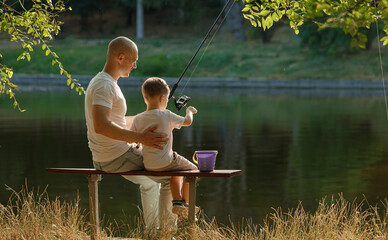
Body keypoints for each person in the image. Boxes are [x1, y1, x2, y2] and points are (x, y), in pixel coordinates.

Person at [84, 36, 174, 234]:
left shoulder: (104, 82)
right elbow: (101, 125)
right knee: (170, 174)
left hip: (108, 155)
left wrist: (150, 119)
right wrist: (141, 138)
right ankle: (166, 234)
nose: (135, 65)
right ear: (121, 57)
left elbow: (115, 121)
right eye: (133, 60)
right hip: (114, 156)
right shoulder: (104, 86)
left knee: (151, 182)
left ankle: (154, 232)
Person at [130, 77, 198, 219]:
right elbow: (187, 122)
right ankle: (183, 203)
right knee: (192, 170)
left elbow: (134, 139)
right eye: (167, 99)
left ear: (145, 99)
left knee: (178, 169)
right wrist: (189, 111)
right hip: (166, 162)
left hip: (149, 165)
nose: (167, 102)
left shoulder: (138, 118)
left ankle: (178, 201)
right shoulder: (166, 115)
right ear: (162, 98)